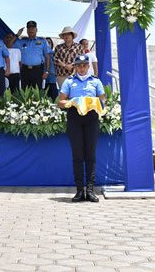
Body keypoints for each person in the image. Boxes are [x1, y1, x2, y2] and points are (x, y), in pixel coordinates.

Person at [58, 54, 106, 203]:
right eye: (79, 65)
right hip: (75, 118)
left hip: (91, 118)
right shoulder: (69, 81)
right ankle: (79, 191)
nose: (82, 68)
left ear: (88, 66)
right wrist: (73, 101)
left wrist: (94, 101)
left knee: (90, 154)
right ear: (75, 66)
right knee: (77, 155)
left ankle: (90, 191)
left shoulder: (96, 81)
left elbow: (103, 100)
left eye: (84, 65)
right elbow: (60, 102)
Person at [13, 21, 50, 90]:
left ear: (36, 30)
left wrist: (47, 71)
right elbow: (10, 44)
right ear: (27, 30)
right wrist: (17, 35)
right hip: (24, 70)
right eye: (29, 28)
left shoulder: (43, 41)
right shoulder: (22, 41)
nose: (31, 30)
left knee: (37, 92)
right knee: (25, 91)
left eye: (33, 28)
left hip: (38, 70)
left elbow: (47, 56)